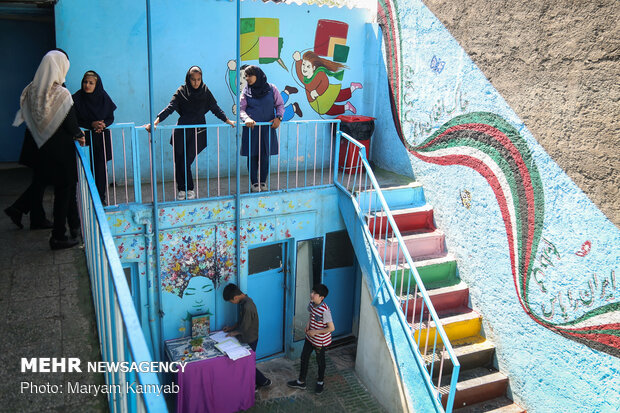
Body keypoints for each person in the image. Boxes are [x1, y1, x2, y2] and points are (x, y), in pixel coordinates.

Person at [11, 49, 85, 250]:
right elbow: (71, 125)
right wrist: (80, 135)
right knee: (64, 192)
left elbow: (27, 116)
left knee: (43, 183)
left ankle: (45, 222)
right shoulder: (61, 93)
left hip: (40, 148)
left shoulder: (30, 90)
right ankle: (59, 236)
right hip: (60, 151)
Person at [145, 66, 235, 200]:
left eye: (198, 79)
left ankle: (190, 188)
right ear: (188, 78)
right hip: (181, 130)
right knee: (179, 161)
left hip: (197, 131)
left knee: (186, 161)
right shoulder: (181, 91)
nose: (196, 82)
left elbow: (214, 108)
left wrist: (227, 120)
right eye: (193, 79)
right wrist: (156, 122)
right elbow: (170, 108)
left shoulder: (205, 91)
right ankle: (182, 189)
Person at [72, 70, 117, 205]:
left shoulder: (103, 96)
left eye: (91, 83)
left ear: (97, 85)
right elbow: (74, 120)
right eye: (85, 82)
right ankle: (86, 200)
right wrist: (91, 124)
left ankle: (100, 199)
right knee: (85, 169)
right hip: (84, 139)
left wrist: (103, 124)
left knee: (101, 169)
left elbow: (110, 117)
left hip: (101, 138)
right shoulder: (77, 99)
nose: (87, 85)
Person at [239, 65, 285, 193]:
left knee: (265, 156)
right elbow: (241, 109)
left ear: (258, 75)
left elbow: (280, 105)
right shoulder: (246, 91)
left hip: (267, 129)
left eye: (249, 75)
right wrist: (246, 119)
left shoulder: (271, 89)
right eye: (246, 76)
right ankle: (254, 183)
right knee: (252, 156)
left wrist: (279, 118)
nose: (247, 78)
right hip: (251, 129)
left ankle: (263, 182)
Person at [287, 283, 335, 394]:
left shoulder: (325, 311)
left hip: (320, 342)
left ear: (321, 297)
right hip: (310, 338)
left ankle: (320, 382)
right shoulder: (312, 303)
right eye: (312, 292)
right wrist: (308, 325)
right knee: (304, 357)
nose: (311, 294)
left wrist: (316, 332)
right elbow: (311, 315)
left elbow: (331, 328)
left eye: (314, 293)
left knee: (320, 361)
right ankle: (301, 382)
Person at [222, 283, 271, 390]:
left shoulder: (247, 306)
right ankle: (259, 381)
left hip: (250, 339)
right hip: (247, 337)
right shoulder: (244, 301)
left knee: (247, 363)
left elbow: (244, 327)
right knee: (247, 363)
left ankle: (263, 381)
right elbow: (241, 321)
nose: (233, 303)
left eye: (231, 301)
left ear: (235, 297)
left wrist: (233, 333)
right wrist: (231, 328)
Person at [292, 50, 362, 116]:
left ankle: (352, 88)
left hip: (325, 92)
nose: (304, 68)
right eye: (303, 64)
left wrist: (317, 92)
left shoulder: (320, 74)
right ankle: (347, 107)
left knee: (339, 96)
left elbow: (325, 83)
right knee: (328, 110)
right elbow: (299, 73)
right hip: (314, 101)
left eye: (308, 66)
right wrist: (298, 61)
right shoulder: (305, 79)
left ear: (313, 68)